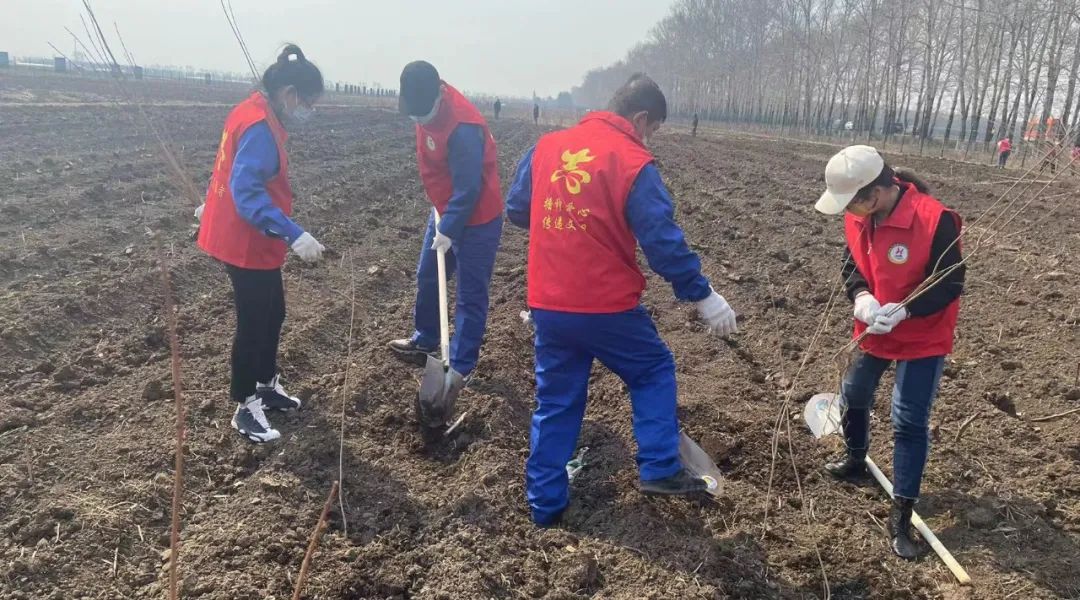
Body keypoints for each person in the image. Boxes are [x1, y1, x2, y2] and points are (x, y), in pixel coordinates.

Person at [506, 74, 739, 527]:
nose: (648, 137)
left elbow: (518, 209)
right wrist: (703, 295)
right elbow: (662, 243)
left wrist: (566, 229)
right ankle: (659, 466)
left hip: (549, 302)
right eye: (650, 129)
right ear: (640, 118)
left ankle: (545, 503)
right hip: (605, 305)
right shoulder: (631, 160)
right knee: (652, 369)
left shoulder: (548, 146)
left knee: (556, 401)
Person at [814, 145, 965, 560]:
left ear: (874, 193)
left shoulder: (936, 220)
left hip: (922, 335)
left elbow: (950, 284)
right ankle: (855, 458)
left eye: (854, 202)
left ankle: (901, 514)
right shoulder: (858, 216)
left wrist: (905, 310)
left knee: (909, 419)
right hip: (875, 325)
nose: (852, 211)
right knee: (854, 393)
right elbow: (851, 264)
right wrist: (861, 297)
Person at [196, 44, 326, 443]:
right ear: (289, 94)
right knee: (253, 322)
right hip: (246, 241)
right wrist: (294, 233)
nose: (307, 111)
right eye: (306, 102)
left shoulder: (253, 109)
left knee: (274, 312)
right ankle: (244, 404)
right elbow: (248, 192)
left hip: (251, 236)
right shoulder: (259, 128)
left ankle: (267, 384)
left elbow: (232, 168)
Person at [388, 61, 504, 405]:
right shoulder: (421, 101)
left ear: (439, 95)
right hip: (443, 209)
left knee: (470, 294)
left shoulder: (463, 126)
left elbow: (468, 189)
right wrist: (442, 217)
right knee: (428, 276)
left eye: (423, 115)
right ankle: (426, 337)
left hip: (478, 219)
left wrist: (451, 229)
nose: (419, 121)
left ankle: (460, 366)